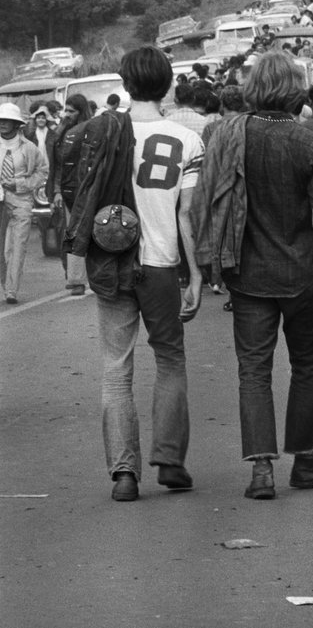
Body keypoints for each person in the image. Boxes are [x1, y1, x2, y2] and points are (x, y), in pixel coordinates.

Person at [191, 50, 313, 500]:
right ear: (295, 91)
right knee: (308, 365)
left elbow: (208, 198)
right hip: (303, 273)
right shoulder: (310, 144)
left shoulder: (230, 135)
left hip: (247, 274)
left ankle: (262, 468)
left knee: (254, 370)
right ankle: (306, 458)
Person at [66, 46, 203, 501]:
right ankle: (169, 458)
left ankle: (124, 473)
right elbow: (186, 215)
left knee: (116, 368)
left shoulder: (101, 131)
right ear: (168, 85)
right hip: (161, 263)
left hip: (111, 261)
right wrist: (196, 274)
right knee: (170, 359)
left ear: (125, 84)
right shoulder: (187, 140)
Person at [0, 103, 49, 304]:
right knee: (2, 248)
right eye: (1, 120)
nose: (3, 124)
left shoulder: (29, 148)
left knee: (18, 246)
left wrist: (19, 183)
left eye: (7, 120)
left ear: (16, 124)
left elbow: (42, 172)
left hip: (21, 201)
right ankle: (5, 282)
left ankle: (11, 289)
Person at [46, 94, 94, 295]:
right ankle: (75, 280)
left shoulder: (91, 131)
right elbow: (57, 165)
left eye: (71, 111)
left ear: (81, 112)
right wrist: (57, 191)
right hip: (67, 191)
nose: (67, 114)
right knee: (70, 234)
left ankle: (91, 278)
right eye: (65, 110)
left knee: (92, 234)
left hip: (88, 190)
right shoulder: (61, 132)